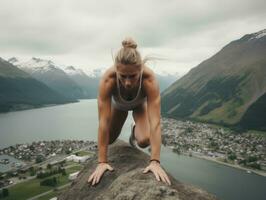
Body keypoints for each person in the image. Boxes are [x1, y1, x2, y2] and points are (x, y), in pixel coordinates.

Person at [88, 37, 171, 186]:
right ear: (116, 71)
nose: (127, 82)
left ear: (140, 69)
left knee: (145, 140)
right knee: (108, 140)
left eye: (132, 76)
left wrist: (155, 161)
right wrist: (102, 162)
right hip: (119, 107)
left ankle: (134, 129)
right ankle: (131, 126)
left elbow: (156, 122)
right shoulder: (108, 80)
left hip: (140, 106)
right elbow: (103, 122)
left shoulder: (149, 80)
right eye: (122, 76)